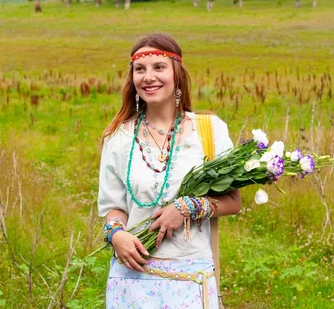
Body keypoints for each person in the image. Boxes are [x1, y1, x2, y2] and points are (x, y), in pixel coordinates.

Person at [97, 33, 241, 308]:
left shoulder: (209, 130)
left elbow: (233, 202)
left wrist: (188, 208)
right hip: (131, 279)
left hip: (191, 278)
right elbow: (113, 207)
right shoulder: (118, 137)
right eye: (140, 69)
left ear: (177, 74)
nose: (148, 77)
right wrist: (116, 235)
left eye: (159, 67)